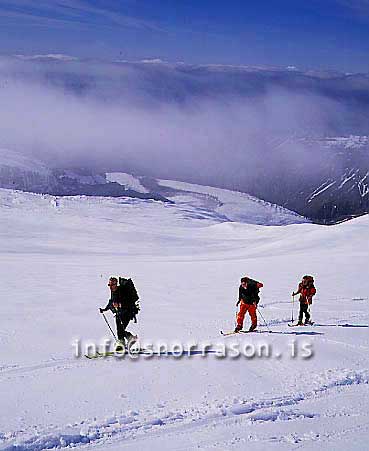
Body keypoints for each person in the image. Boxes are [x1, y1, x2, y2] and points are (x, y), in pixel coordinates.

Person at [99, 276, 138, 350]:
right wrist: (105, 309)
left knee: (120, 329)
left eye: (112, 285)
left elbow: (128, 301)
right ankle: (128, 340)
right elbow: (111, 302)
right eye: (109, 285)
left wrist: (120, 304)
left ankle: (123, 344)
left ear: (116, 284)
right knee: (119, 330)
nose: (110, 287)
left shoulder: (122, 291)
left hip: (128, 312)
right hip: (119, 313)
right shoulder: (113, 292)